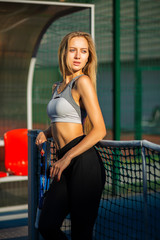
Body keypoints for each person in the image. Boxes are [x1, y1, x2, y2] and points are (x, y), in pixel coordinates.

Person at [35, 31, 106, 240]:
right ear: (64, 53)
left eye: (83, 51)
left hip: (83, 162)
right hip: (64, 162)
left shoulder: (82, 82)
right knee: (47, 225)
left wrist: (67, 157)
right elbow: (64, 119)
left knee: (80, 233)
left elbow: (100, 129)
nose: (78, 56)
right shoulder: (57, 86)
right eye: (73, 50)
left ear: (88, 57)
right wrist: (46, 133)